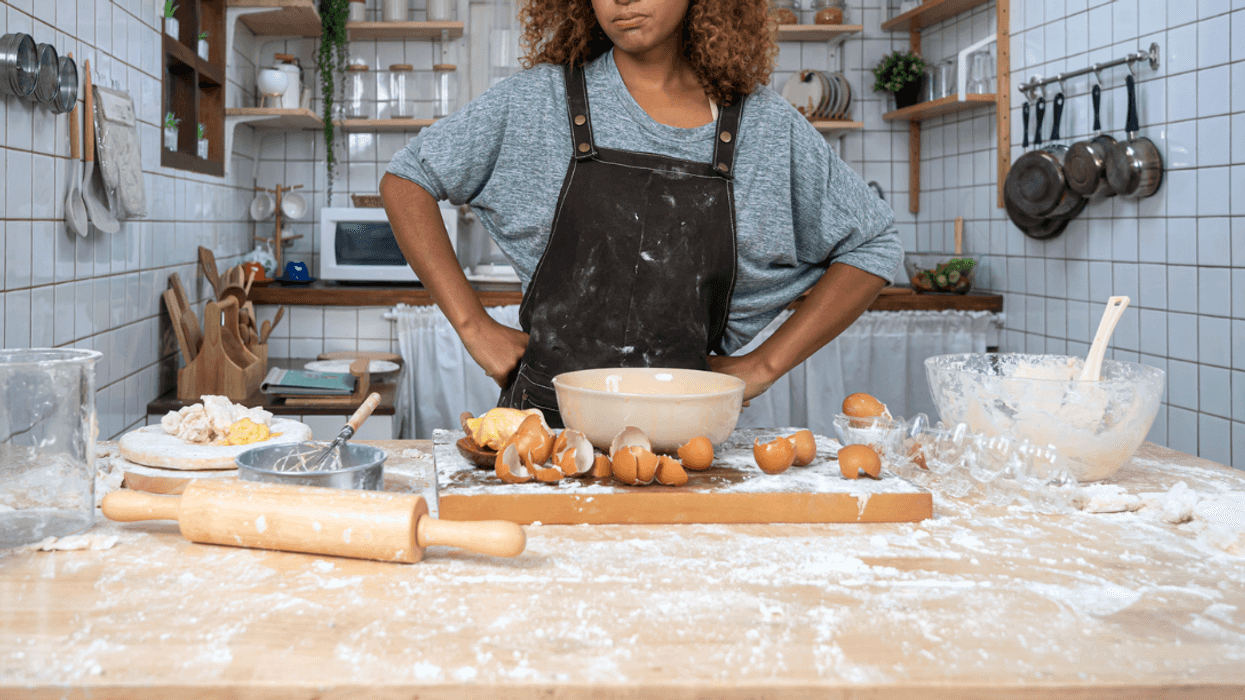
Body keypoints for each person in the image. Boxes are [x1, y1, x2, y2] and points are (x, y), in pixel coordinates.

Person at [381, 0, 903, 428]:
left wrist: (763, 365)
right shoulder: (536, 101)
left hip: (687, 432)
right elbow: (407, 179)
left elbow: (873, 243)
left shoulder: (765, 125)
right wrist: (473, 326)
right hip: (545, 433)